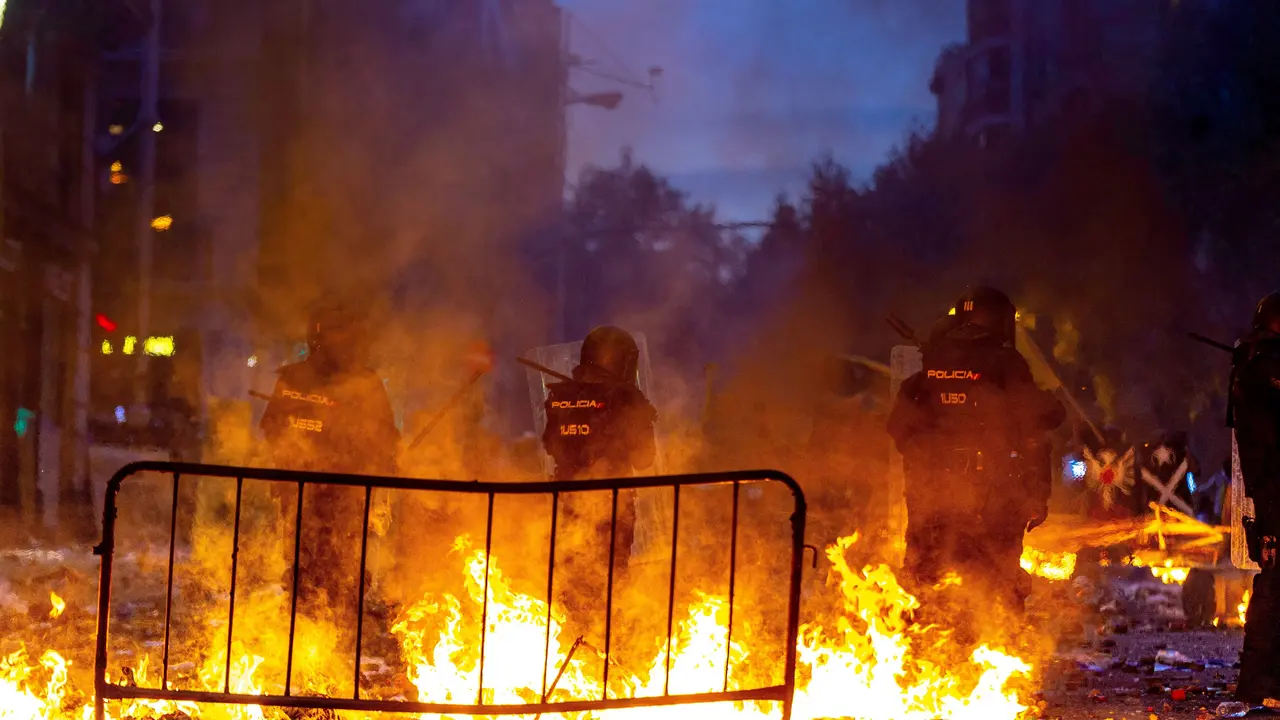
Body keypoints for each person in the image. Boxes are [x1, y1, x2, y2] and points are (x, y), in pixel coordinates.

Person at [887, 286, 1065, 628]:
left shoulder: (929, 369)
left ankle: (921, 646)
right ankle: (997, 644)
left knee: (925, 571)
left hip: (929, 497)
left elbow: (899, 430)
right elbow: (1037, 420)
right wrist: (1036, 494)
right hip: (993, 497)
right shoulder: (1005, 361)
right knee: (996, 579)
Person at [260, 302, 400, 624]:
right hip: (300, 491)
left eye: (345, 330)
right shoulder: (293, 378)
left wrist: (379, 455)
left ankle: (342, 632)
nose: (341, 339)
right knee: (304, 564)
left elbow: (385, 436)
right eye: (333, 330)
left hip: (348, 493)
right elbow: (272, 428)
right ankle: (305, 632)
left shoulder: (365, 382)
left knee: (346, 567)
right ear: (317, 335)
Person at [542, 326, 657, 575]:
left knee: (572, 578)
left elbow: (550, 444)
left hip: (570, 502)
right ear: (622, 361)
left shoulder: (561, 395)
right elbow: (644, 459)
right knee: (610, 582)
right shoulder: (627, 398)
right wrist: (644, 418)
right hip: (614, 507)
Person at [1226, 291, 1280, 706]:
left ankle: (1269, 686)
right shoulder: (1263, 368)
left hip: (1270, 487)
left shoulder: (1255, 364)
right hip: (1276, 489)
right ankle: (1260, 688)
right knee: (1274, 589)